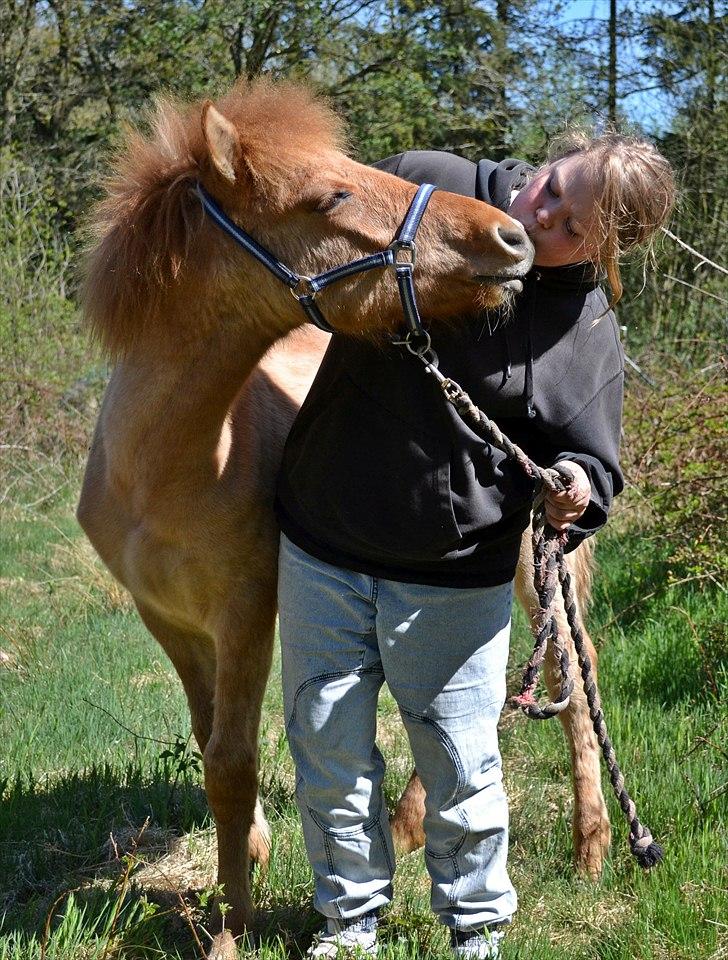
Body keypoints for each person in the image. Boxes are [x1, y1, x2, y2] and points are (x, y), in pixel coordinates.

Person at [275, 132, 675, 959]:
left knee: (460, 763)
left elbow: (595, 461)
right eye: (555, 187)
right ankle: (350, 923)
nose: (544, 212)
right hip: (326, 537)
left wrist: (572, 483)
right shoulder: (428, 183)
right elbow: (318, 216)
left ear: (602, 250)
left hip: (451, 578)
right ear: (556, 158)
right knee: (327, 745)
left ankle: (475, 928)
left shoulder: (582, 329)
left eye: (571, 225)